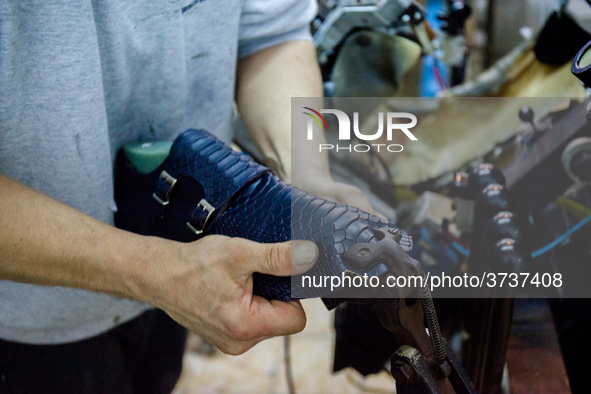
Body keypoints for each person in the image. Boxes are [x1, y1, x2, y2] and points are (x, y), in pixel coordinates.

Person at [0, 1, 377, 393]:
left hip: (185, 258)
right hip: (28, 312)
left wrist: (307, 175)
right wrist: (153, 272)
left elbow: (272, 34)